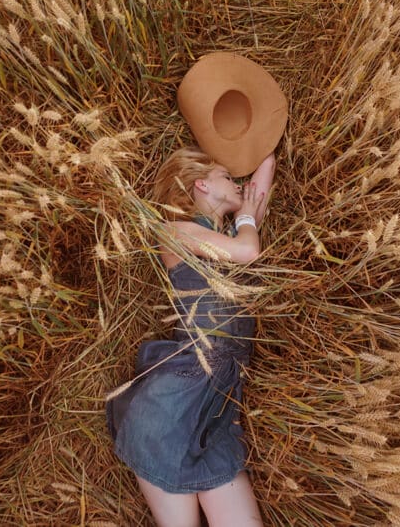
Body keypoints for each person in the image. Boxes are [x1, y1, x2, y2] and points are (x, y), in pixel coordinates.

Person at [106, 147, 276, 527]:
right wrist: (246, 217)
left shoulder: (234, 232)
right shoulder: (175, 231)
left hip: (220, 405)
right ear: (201, 184)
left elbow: (263, 168)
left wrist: (248, 134)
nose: (238, 183)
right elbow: (248, 251)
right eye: (226, 177)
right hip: (172, 401)